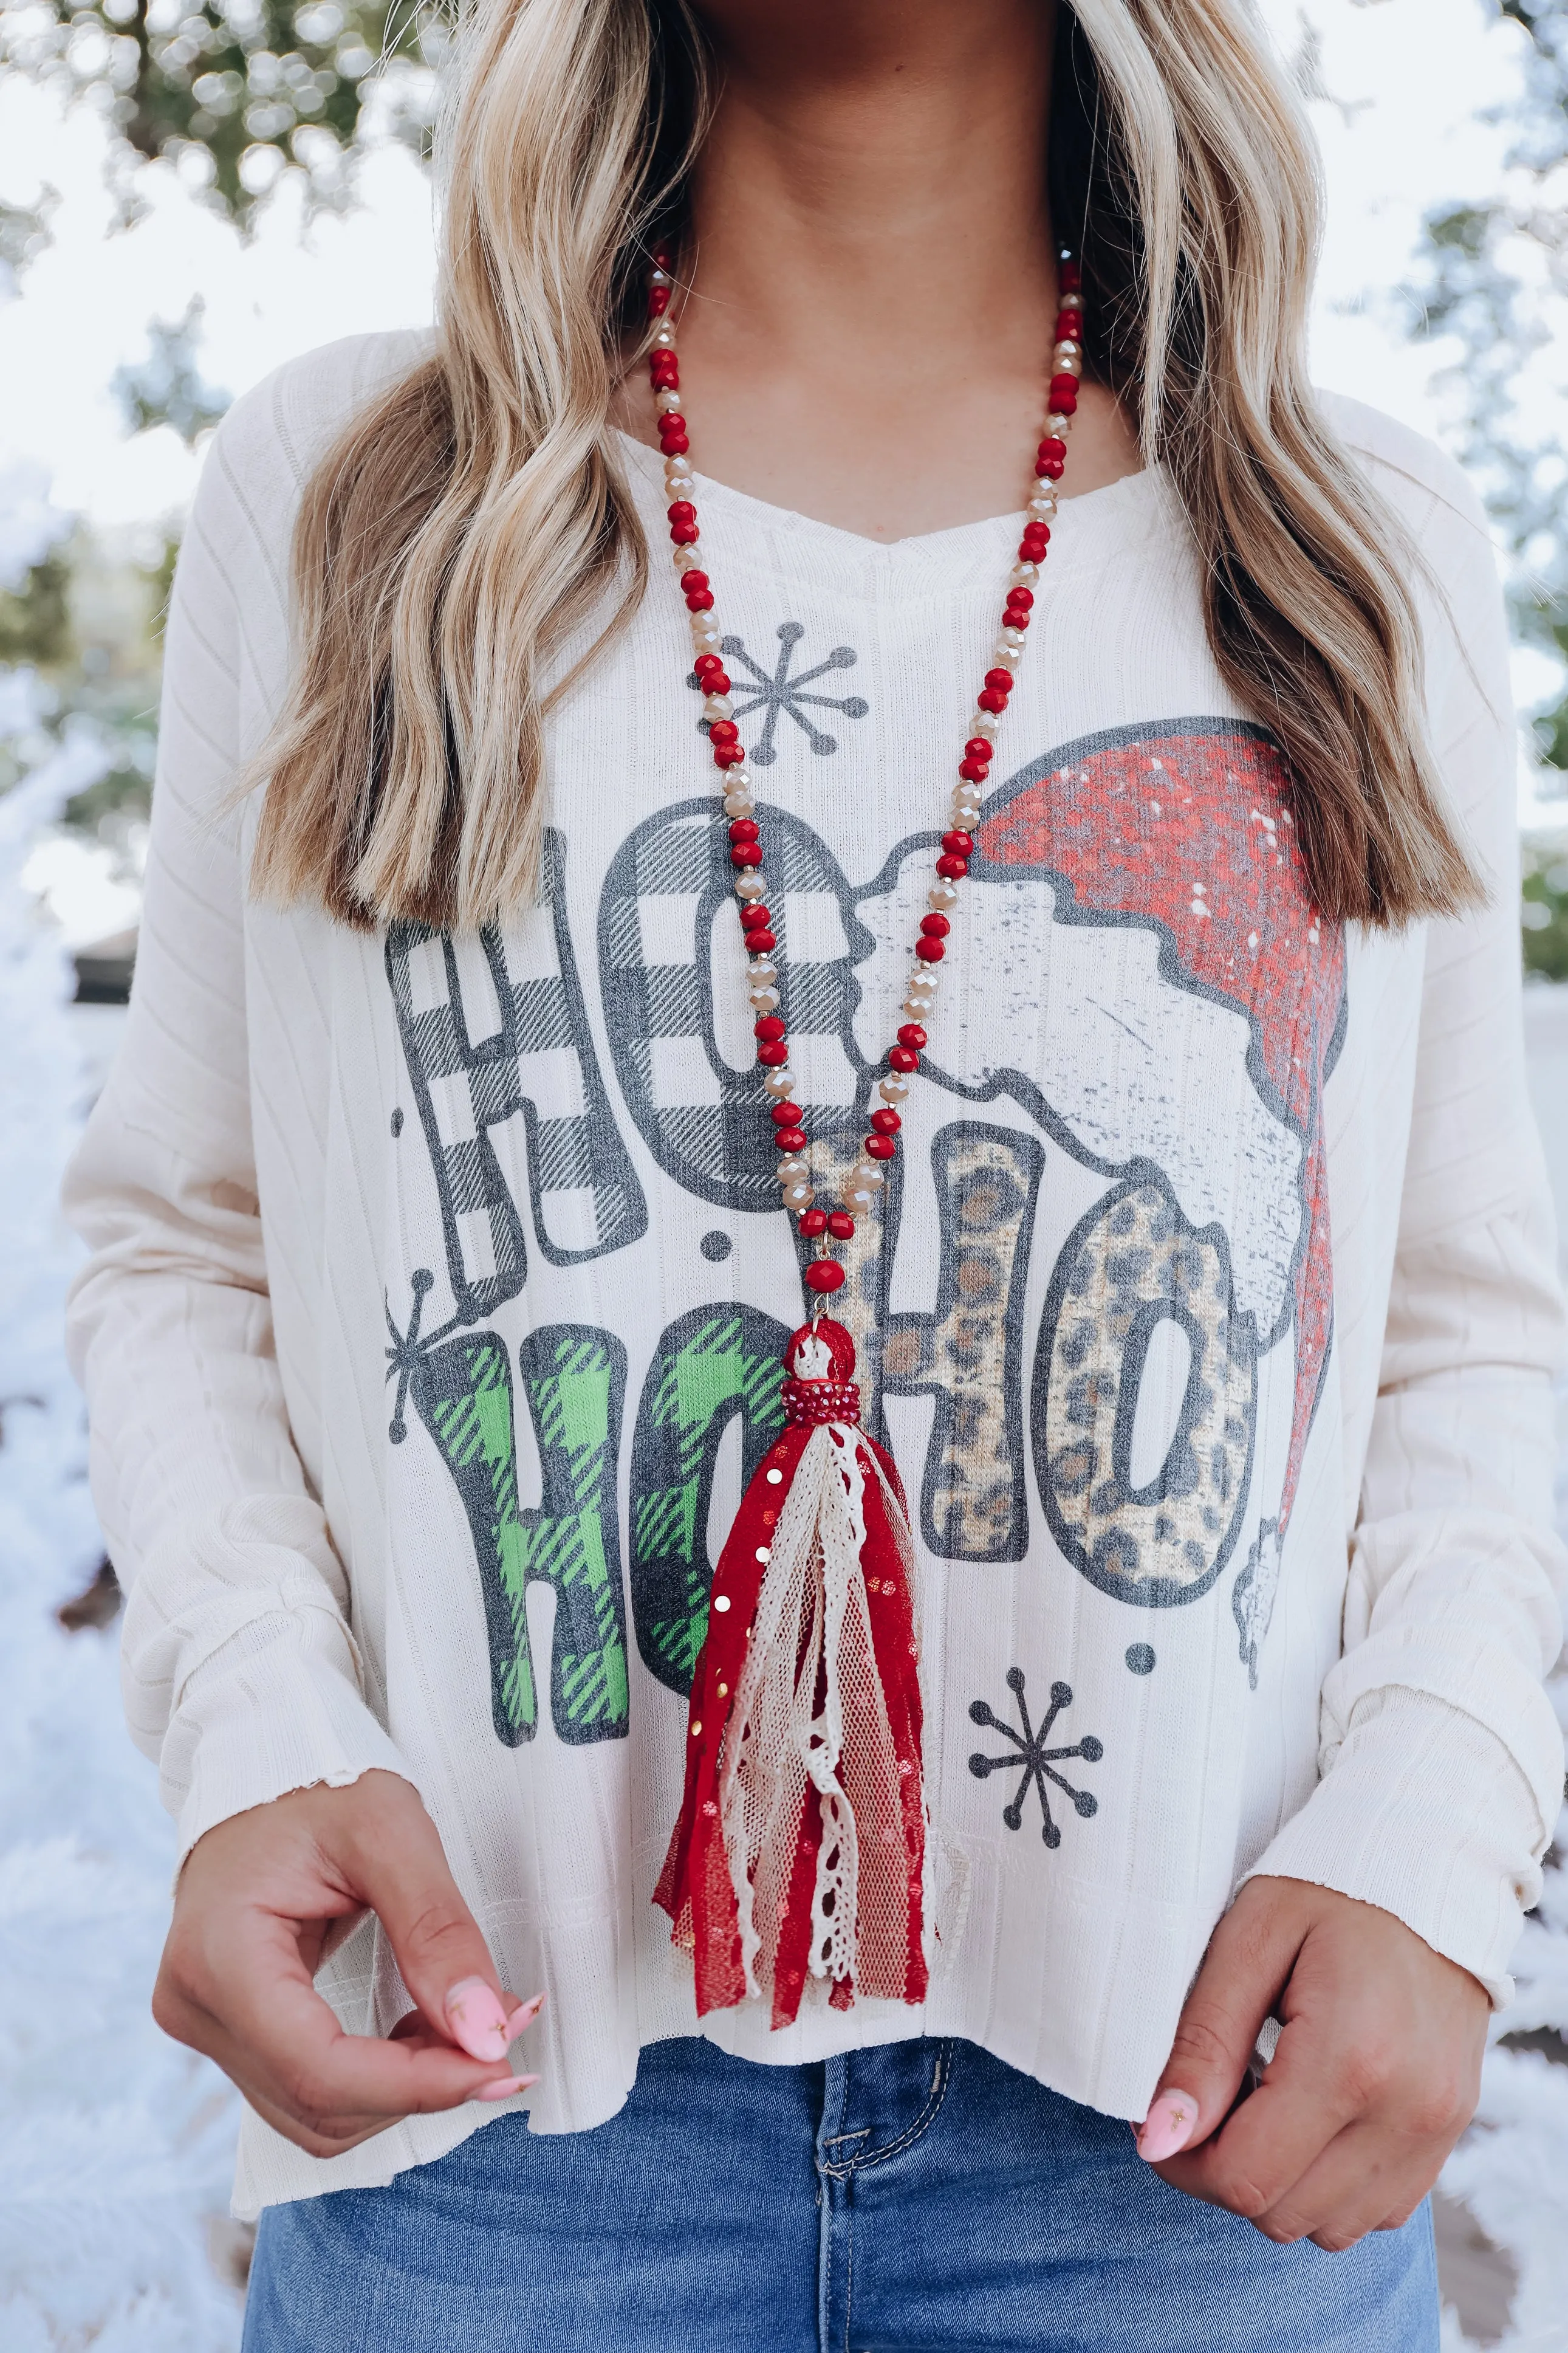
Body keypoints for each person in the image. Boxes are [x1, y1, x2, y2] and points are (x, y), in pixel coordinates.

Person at [64, 1, 1566, 2346]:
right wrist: (255, 1717)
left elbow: (1469, 1313)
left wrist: (1436, 1831)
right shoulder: (355, 490)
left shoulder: (1353, 544)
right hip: (498, 2134)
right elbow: (186, 1235)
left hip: (1190, 2121)